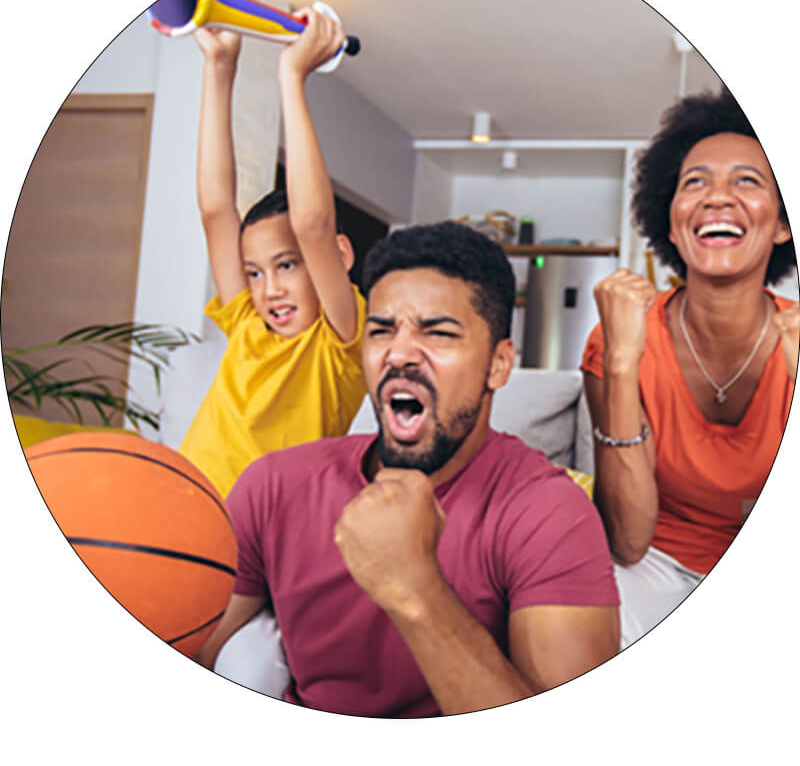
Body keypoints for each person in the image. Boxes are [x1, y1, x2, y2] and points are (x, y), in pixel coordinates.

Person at [197, 222, 620, 718]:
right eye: (381, 331)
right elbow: (196, 646)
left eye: (437, 332)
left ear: (499, 365)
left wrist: (415, 588)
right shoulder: (275, 485)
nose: (399, 354)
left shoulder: (549, 513)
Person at [581, 87, 800, 650]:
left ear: (782, 224)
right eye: (695, 182)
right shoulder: (619, 337)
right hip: (656, 560)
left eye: (748, 181)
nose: (717, 198)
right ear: (672, 226)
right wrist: (623, 363)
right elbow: (627, 543)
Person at [178, 10, 367, 499]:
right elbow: (216, 208)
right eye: (254, 273)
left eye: (287, 265)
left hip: (265, 534)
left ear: (339, 256)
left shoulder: (340, 340)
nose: (269, 290)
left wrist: (292, 77)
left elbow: (312, 224)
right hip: (187, 509)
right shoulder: (247, 322)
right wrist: (219, 70)